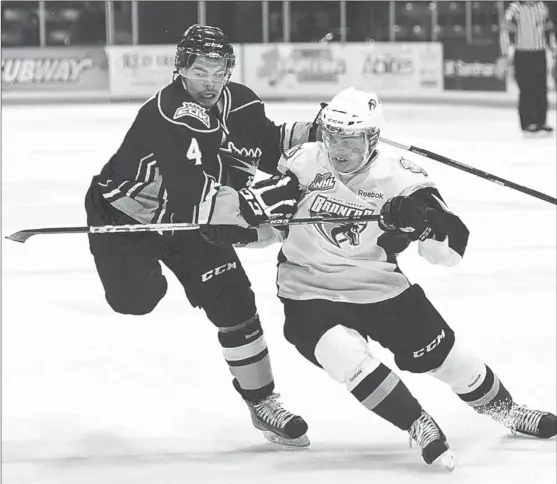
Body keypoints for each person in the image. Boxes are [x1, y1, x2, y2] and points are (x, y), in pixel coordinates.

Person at [211, 87, 557, 468]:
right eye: (331, 137)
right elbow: (274, 229)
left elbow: (451, 251)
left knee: (448, 359)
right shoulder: (301, 162)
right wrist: (242, 232)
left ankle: (506, 410)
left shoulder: (402, 178)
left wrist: (420, 225)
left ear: (372, 137)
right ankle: (417, 422)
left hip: (382, 288)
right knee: (343, 355)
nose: (339, 149)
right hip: (308, 291)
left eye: (351, 139)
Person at [84, 24, 315, 447]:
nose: (209, 82)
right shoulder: (170, 114)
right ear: (180, 69)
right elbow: (199, 201)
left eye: (218, 70)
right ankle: (146, 275)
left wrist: (318, 133)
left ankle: (262, 402)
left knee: (236, 303)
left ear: (229, 69)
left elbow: (269, 145)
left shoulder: (239, 100)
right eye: (199, 71)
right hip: (126, 218)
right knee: (136, 302)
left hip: (188, 222)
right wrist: (266, 210)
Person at [500, 1, 557, 136]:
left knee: (541, 88)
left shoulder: (542, 6)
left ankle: (540, 122)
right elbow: (504, 28)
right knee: (527, 88)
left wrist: (554, 50)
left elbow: (549, 30)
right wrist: (505, 53)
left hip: (539, 52)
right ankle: (528, 123)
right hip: (522, 53)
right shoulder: (515, 7)